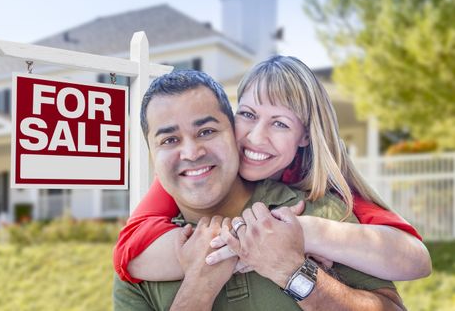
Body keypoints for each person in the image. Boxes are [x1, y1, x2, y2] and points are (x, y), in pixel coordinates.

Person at [113, 56, 431, 284]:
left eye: (279, 123)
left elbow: (415, 259)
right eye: (248, 115)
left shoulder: (324, 188)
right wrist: (250, 242)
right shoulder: (205, 168)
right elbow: (130, 250)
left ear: (306, 135)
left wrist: (305, 233)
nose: (255, 137)